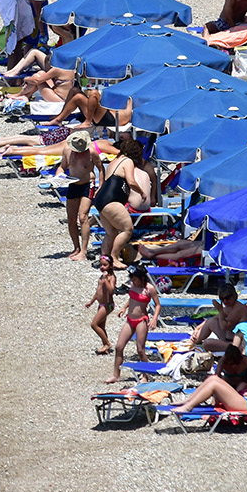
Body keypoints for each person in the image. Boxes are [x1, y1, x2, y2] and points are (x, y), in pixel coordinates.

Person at [94, 139, 151, 265]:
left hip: (101, 199)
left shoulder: (114, 161)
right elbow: (131, 181)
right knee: (127, 229)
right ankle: (114, 258)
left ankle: (104, 259)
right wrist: (142, 192)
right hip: (111, 200)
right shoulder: (128, 161)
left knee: (111, 232)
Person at [170, 357, 247, 414]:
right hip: (244, 401)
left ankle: (188, 407)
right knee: (213, 378)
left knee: (214, 384)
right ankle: (188, 400)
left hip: (243, 406)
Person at [105, 264, 161, 383]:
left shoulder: (149, 288)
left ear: (141, 278)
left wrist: (154, 318)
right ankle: (116, 375)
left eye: (134, 278)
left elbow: (158, 305)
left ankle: (146, 375)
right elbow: (132, 298)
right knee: (119, 347)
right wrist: (124, 308)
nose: (133, 281)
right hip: (130, 319)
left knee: (140, 350)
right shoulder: (132, 285)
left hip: (142, 320)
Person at [63, 132, 102, 262]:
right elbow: (62, 168)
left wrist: (101, 185)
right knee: (71, 218)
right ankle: (76, 248)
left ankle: (84, 251)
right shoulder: (68, 152)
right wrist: (58, 178)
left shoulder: (91, 153)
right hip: (73, 184)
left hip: (88, 184)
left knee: (83, 217)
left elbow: (101, 169)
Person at [191, 284, 247, 352]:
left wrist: (220, 310)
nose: (225, 301)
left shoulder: (238, 308)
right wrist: (198, 328)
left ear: (234, 296)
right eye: (222, 299)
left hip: (238, 343)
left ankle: (236, 348)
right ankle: (196, 340)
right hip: (229, 338)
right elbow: (213, 318)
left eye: (227, 298)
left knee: (207, 344)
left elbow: (224, 327)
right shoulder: (229, 307)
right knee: (211, 321)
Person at [86, 254, 117, 353]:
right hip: (101, 304)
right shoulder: (101, 277)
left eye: (105, 265)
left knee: (94, 324)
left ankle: (107, 343)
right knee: (101, 326)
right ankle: (105, 346)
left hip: (108, 305)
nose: (102, 267)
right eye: (101, 265)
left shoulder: (111, 277)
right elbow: (98, 291)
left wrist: (106, 281)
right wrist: (91, 301)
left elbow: (111, 290)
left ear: (111, 266)